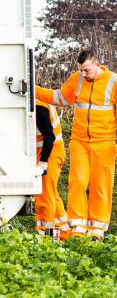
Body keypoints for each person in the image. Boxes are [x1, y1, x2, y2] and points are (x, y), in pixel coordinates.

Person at [36, 50, 117, 239]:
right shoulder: (77, 79)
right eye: (80, 70)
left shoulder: (113, 82)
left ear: (97, 65)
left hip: (104, 142)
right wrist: (34, 90)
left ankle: (97, 230)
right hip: (79, 141)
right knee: (77, 182)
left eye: (86, 70)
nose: (83, 74)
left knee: (100, 185)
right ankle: (78, 227)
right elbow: (60, 98)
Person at [34, 103, 68, 239]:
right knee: (51, 193)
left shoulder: (38, 108)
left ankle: (46, 236)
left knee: (44, 194)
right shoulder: (40, 102)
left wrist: (43, 163)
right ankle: (64, 232)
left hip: (50, 153)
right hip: (51, 151)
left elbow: (49, 136)